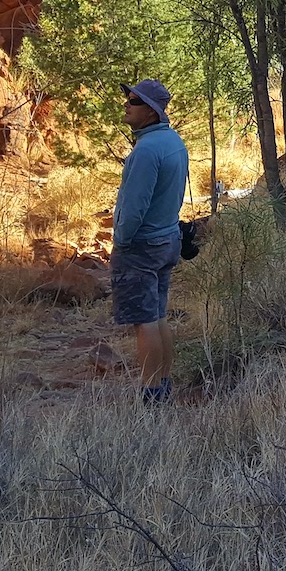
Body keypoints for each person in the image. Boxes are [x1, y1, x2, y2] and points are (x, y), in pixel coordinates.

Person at [111, 78, 188, 404]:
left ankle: (151, 392)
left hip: (142, 246)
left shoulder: (145, 151)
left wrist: (122, 241)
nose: (127, 104)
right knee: (157, 317)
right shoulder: (173, 141)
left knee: (145, 322)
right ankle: (163, 385)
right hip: (167, 239)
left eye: (135, 101)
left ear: (152, 112)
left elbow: (134, 207)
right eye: (129, 98)